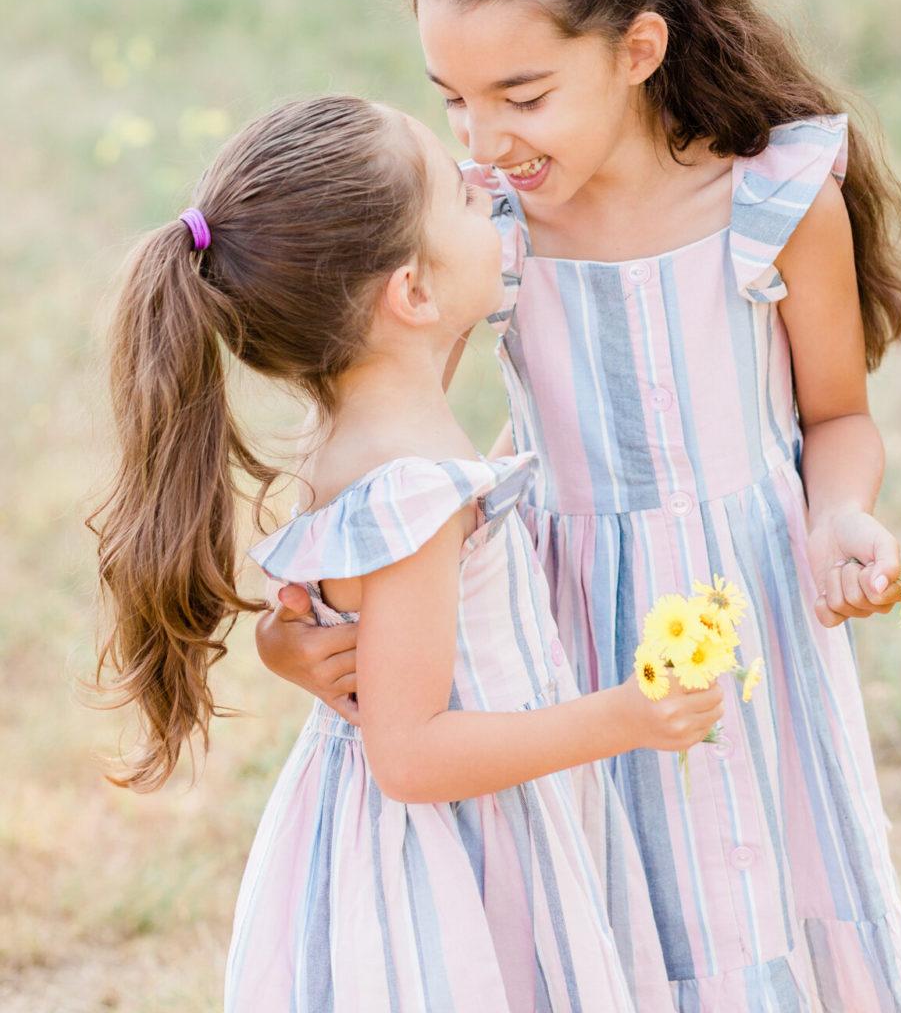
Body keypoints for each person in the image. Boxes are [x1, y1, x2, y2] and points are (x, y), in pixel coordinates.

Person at [257, 0, 901, 1012]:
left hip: (750, 615)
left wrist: (842, 519)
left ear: (638, 48)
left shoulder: (772, 202)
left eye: (521, 96)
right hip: (559, 633)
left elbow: (837, 417)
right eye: (453, 102)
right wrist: (300, 629)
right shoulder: (489, 238)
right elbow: (379, 429)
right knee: (604, 929)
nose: (483, 142)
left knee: (763, 892)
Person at [90, 94, 726, 1013]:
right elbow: (412, 754)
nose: (485, 184)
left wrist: (279, 645)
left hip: (379, 835)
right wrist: (625, 718)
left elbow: (464, 306)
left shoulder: (353, 421)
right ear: (412, 294)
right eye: (460, 197)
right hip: (450, 851)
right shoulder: (417, 496)